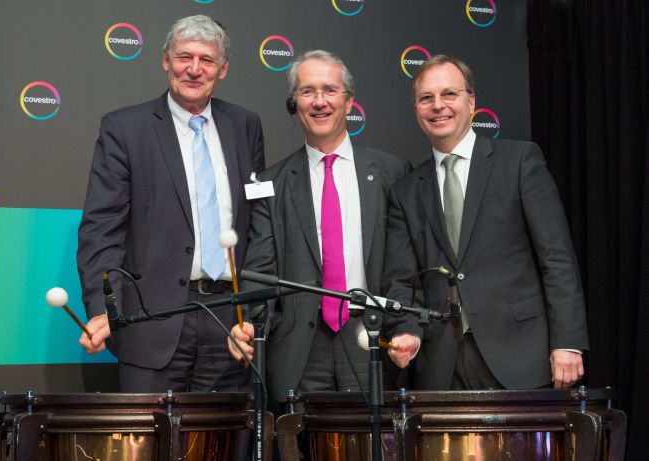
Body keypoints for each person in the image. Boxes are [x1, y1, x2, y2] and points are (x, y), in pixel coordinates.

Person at [77, 15, 265, 393]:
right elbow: (102, 230)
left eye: (207, 60)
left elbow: (259, 220)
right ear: (166, 60)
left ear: (223, 69)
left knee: (222, 446)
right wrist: (103, 308)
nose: (194, 69)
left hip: (230, 324)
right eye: (184, 57)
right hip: (150, 322)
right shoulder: (125, 128)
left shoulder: (246, 126)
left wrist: (254, 312)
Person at [382, 54, 589, 390]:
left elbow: (557, 257)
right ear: (416, 110)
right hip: (441, 367)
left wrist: (567, 341)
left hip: (520, 355)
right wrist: (406, 331)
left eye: (449, 94)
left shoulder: (519, 161)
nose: (438, 106)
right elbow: (401, 281)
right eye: (426, 98)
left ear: (472, 101)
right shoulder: (406, 191)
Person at [227, 50, 420, 403]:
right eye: (307, 91)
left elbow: (403, 266)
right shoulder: (272, 183)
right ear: (294, 103)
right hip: (299, 349)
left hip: (371, 337)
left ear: (349, 102)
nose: (319, 102)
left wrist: (405, 327)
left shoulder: (393, 172)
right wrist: (249, 324)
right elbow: (260, 268)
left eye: (330, 90)